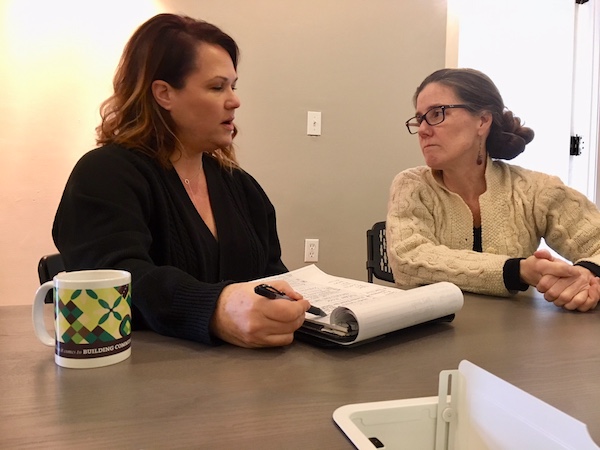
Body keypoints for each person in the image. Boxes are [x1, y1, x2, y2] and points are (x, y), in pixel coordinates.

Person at [52, 13, 311, 348]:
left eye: (233, 86)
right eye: (217, 87)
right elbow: (119, 279)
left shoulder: (242, 187)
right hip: (139, 385)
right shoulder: (103, 174)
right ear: (164, 94)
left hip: (246, 385)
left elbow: (271, 276)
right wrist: (215, 309)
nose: (235, 100)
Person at [387, 67, 600, 312]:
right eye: (420, 119)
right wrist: (517, 271)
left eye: (437, 113)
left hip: (515, 336)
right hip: (431, 334)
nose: (423, 130)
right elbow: (408, 262)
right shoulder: (412, 185)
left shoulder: (537, 189)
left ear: (483, 120)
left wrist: (587, 276)